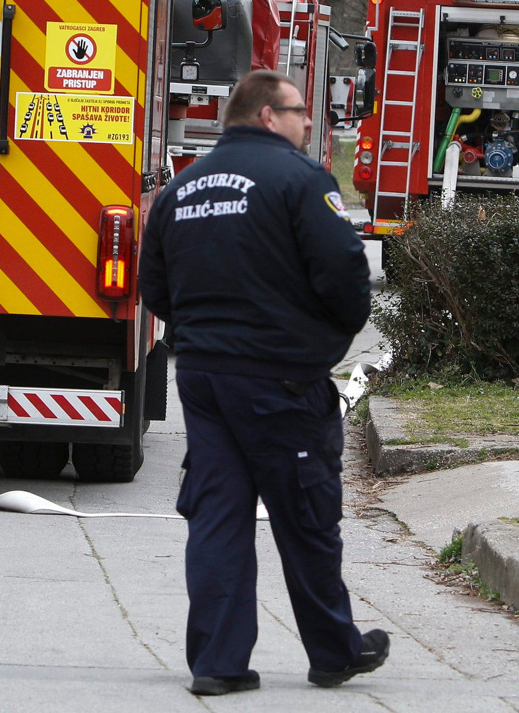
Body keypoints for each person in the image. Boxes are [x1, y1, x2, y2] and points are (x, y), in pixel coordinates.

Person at [139, 69, 390, 697]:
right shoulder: (301, 182)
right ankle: (334, 650)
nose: (310, 123)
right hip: (280, 378)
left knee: (218, 515)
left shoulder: (183, 187)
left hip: (204, 377)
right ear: (265, 117)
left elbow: (155, 287)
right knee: (305, 511)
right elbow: (344, 276)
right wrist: (324, 341)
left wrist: (201, 333)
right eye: (300, 111)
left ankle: (218, 663)